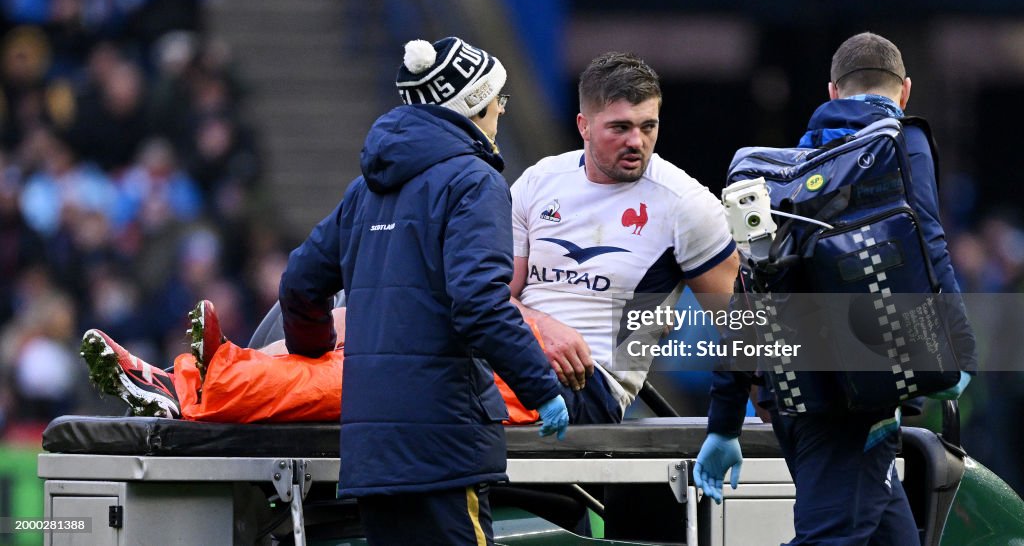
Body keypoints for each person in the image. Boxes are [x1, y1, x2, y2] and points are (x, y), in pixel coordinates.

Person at [278, 37, 568, 545]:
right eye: (497, 98)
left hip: (371, 451)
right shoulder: (475, 182)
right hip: (444, 444)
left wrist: (314, 350)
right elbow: (479, 304)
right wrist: (541, 387)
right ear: (473, 105)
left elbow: (299, 284)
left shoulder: (363, 191)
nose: (502, 109)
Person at [693, 32, 978, 545]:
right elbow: (930, 244)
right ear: (905, 91)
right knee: (831, 537)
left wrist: (725, 418)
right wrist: (961, 354)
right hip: (855, 403)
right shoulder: (899, 144)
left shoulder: (784, 178)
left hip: (790, 396)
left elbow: (747, 292)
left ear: (831, 92)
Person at [509, 51, 740, 423]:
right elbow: (497, 296)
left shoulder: (686, 204)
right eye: (620, 128)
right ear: (584, 126)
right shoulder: (538, 181)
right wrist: (542, 328)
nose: (637, 141)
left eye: (648, 126)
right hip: (511, 360)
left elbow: (744, 327)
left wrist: (754, 432)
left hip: (587, 383)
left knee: (454, 400)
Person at [80, 299, 544, 425]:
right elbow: (490, 289)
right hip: (484, 339)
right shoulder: (536, 184)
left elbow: (481, 291)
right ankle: (189, 379)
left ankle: (198, 388)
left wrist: (547, 326)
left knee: (343, 380)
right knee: (344, 332)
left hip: (533, 371)